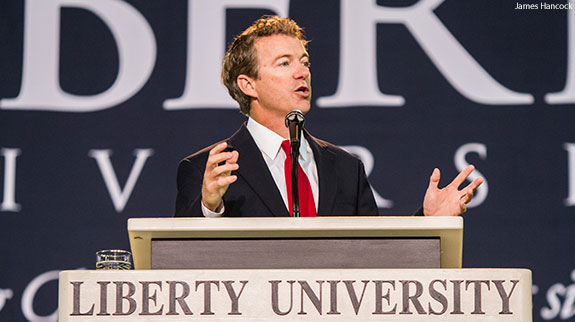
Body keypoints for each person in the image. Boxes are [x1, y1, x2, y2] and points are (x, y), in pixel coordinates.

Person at [174, 16, 483, 218]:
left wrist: (428, 222)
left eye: (304, 61)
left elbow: (377, 259)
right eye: (284, 63)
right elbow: (181, 266)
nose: (302, 71)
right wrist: (210, 206)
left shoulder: (346, 168)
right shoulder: (208, 170)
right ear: (248, 84)